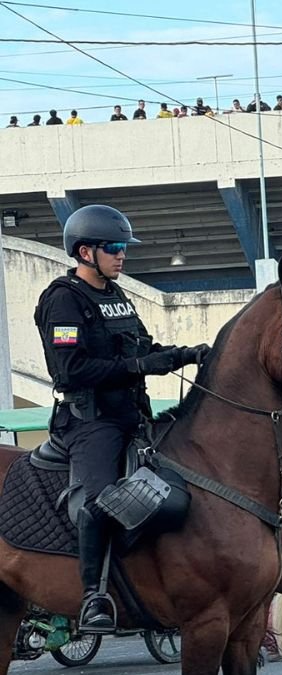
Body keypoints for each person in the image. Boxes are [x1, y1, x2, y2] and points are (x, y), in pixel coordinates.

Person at [34, 205, 208, 632]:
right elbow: (70, 370)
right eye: (113, 247)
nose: (121, 255)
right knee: (99, 501)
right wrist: (139, 367)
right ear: (85, 252)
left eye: (123, 247)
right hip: (91, 422)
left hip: (134, 415)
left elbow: (144, 350)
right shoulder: (63, 299)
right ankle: (93, 597)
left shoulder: (116, 296)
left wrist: (187, 355)